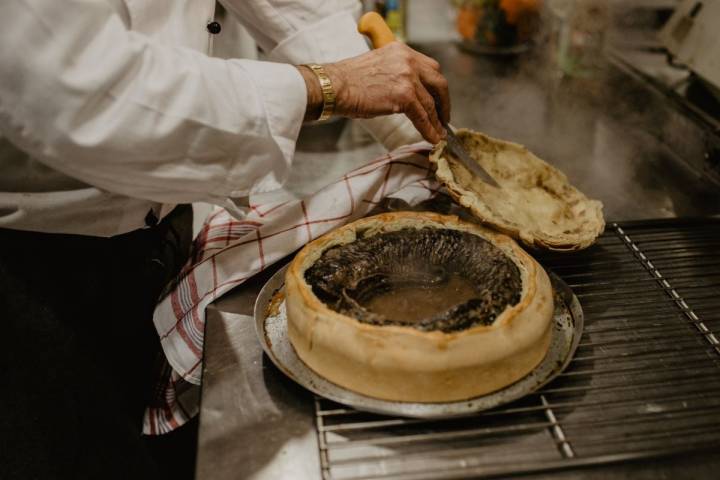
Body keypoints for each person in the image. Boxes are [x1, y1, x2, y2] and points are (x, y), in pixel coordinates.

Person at [0, 0, 450, 479]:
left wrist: (419, 133)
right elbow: (71, 88)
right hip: (29, 269)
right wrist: (326, 86)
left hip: (156, 233)